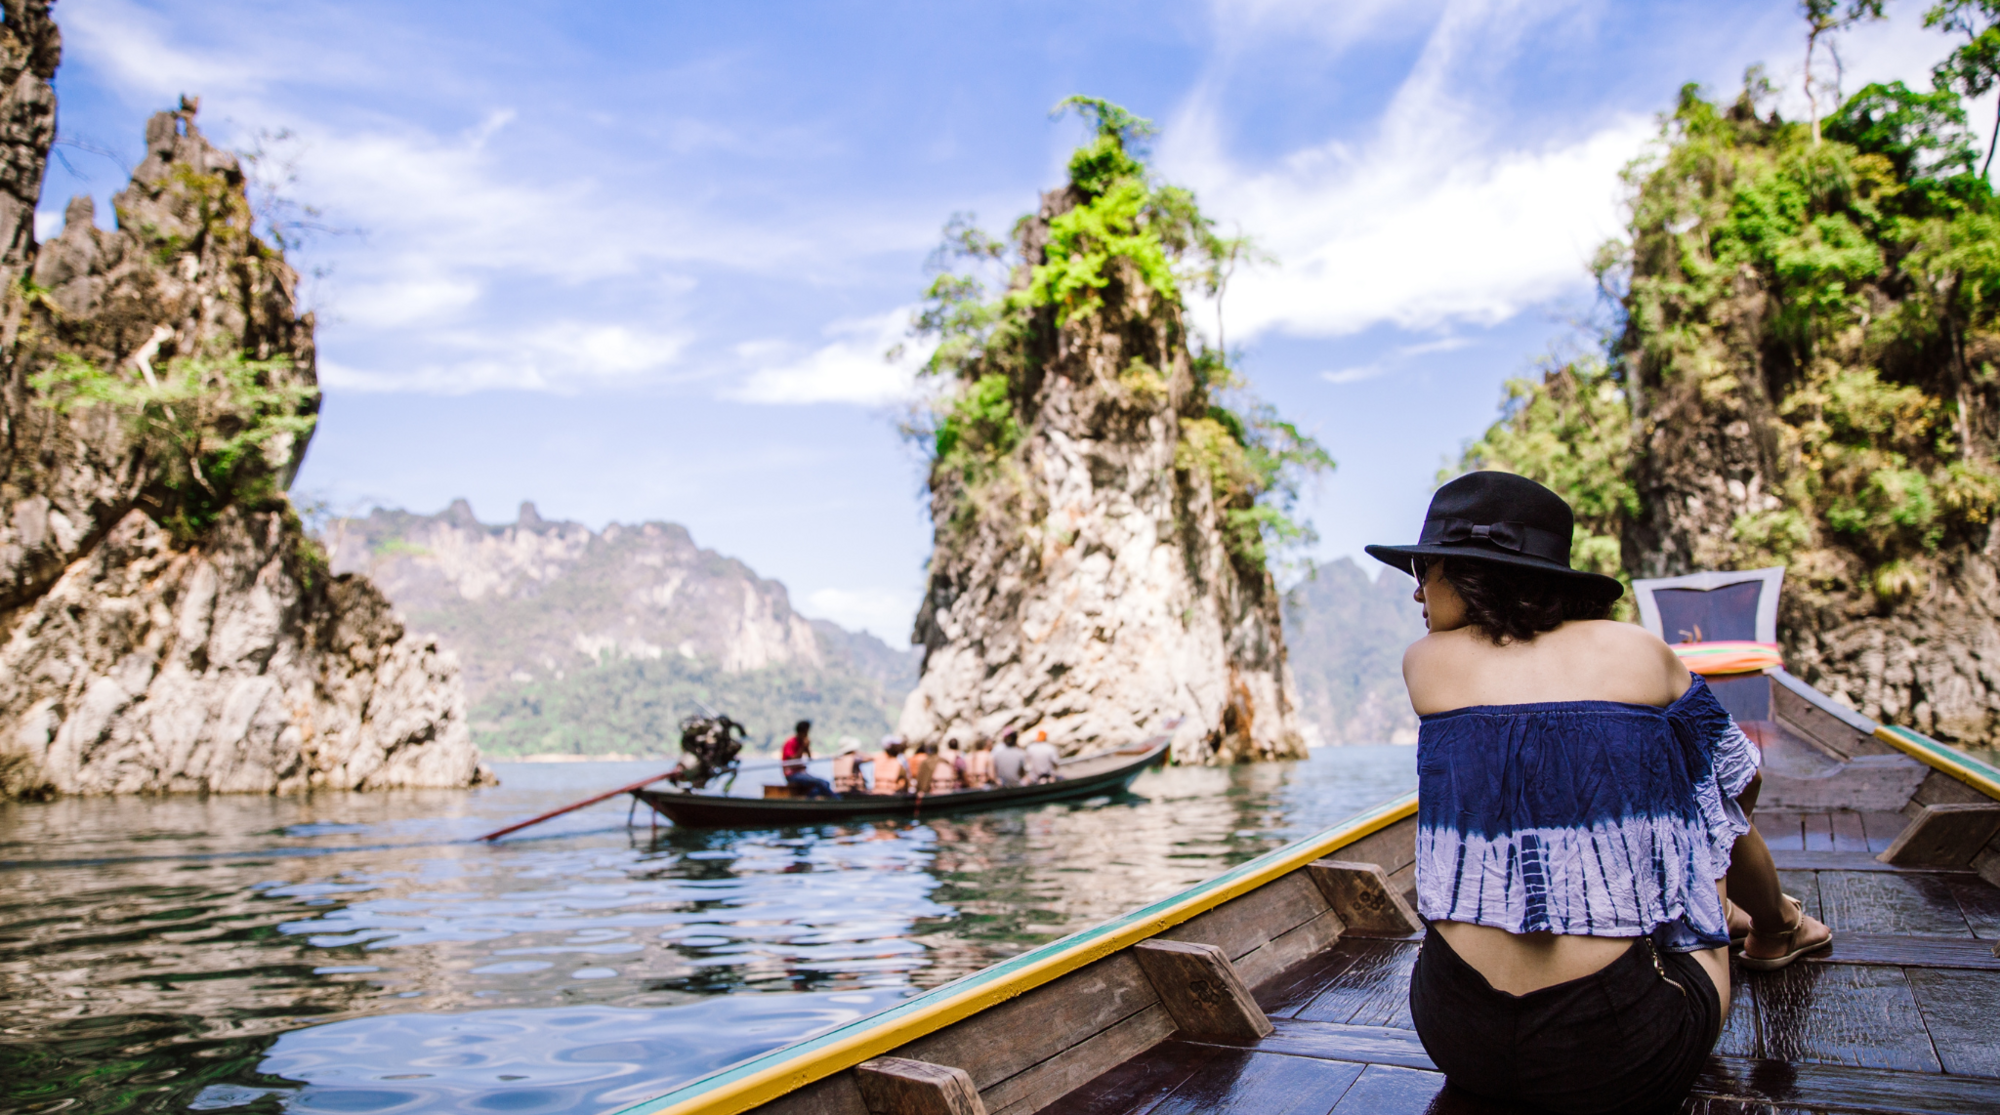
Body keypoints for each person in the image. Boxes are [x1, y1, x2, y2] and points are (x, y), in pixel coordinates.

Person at [1365, 471, 1830, 1115]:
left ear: (1472, 573)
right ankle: (1777, 927)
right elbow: (1741, 778)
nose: (1416, 591)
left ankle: (1765, 920)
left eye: (1424, 569)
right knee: (1702, 795)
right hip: (1618, 1054)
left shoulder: (1426, 663)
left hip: (1455, 1031)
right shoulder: (1638, 651)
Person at [780, 720, 836, 799]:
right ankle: (836, 800)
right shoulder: (790, 742)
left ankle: (809, 801)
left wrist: (807, 747)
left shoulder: (801, 742)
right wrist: (803, 747)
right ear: (801, 732)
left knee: (825, 783)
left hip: (801, 773)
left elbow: (810, 758)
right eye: (806, 732)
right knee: (821, 783)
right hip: (792, 774)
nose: (807, 735)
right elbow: (792, 761)